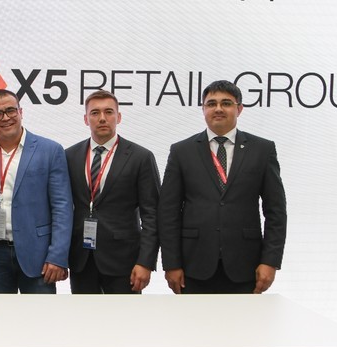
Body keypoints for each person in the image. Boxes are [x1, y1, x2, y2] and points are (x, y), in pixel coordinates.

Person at [158, 80, 287, 294]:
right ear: (203, 109)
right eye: (211, 104)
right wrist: (171, 263)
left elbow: (276, 211)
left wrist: (270, 261)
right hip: (193, 265)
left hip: (246, 265)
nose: (218, 109)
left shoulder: (262, 150)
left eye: (226, 103)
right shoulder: (182, 151)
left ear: (239, 109)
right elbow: (168, 212)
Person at [0, 89, 72, 294]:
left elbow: (62, 207)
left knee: (40, 314)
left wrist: (57, 256)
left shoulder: (50, 150)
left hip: (39, 255)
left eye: (11, 110)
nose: (5, 118)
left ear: (21, 112)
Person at [65, 90, 160, 294]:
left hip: (124, 261)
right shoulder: (69, 156)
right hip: (81, 260)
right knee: (82, 314)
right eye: (95, 113)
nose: (102, 118)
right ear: (85, 119)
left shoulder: (140, 157)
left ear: (119, 117)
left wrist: (146, 262)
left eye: (108, 112)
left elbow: (152, 215)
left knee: (124, 315)